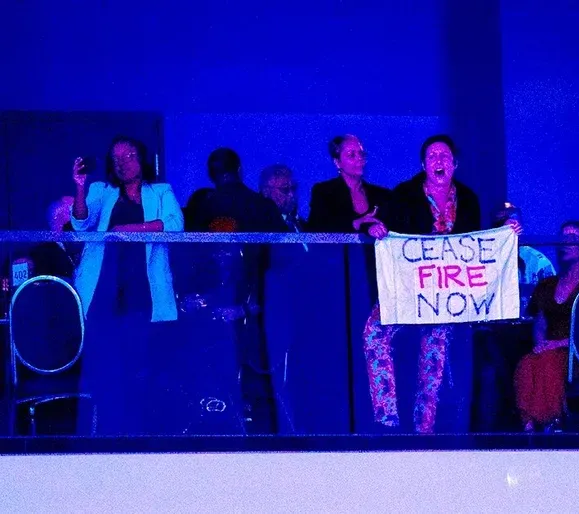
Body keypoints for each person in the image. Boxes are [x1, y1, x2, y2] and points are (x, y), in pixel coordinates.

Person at [363, 134, 516, 433]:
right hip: (410, 290)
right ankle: (387, 415)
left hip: (445, 295)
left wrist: (505, 232)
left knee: (433, 359)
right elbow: (377, 222)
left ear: (455, 164)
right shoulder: (404, 194)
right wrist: (376, 228)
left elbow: (476, 242)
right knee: (374, 332)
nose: (438, 161)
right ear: (423, 164)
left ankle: (425, 428)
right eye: (432, 156)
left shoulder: (468, 199)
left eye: (444, 156)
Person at [70, 136, 183, 435]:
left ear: (141, 158)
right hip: (104, 292)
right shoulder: (102, 191)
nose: (122, 162)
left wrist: (125, 230)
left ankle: (136, 440)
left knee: (138, 370)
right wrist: (80, 186)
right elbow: (82, 221)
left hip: (141, 294)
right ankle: (107, 441)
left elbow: (174, 224)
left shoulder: (160, 192)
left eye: (128, 155)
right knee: (106, 373)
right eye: (116, 158)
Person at [178, 148, 289, 434]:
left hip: (212, 312)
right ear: (239, 169)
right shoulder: (261, 206)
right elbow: (280, 263)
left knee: (210, 375)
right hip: (251, 311)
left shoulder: (199, 207)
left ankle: (211, 420)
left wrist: (192, 299)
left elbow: (187, 259)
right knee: (252, 385)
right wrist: (253, 305)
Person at [513, 221, 579, 432]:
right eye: (562, 238)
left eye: (572, 238)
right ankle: (529, 425)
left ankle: (552, 422)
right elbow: (540, 322)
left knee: (550, 363)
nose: (564, 244)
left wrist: (557, 345)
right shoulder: (547, 285)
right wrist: (542, 344)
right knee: (528, 363)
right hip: (549, 349)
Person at [307, 135, 391, 236]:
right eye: (351, 155)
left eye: (361, 154)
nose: (359, 158)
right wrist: (357, 223)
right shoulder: (324, 192)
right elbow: (317, 229)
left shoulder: (382, 195)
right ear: (337, 162)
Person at [492, 203, 554, 315]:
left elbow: (551, 300)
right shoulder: (483, 258)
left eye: (513, 224)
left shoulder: (538, 262)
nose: (509, 228)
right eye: (500, 225)